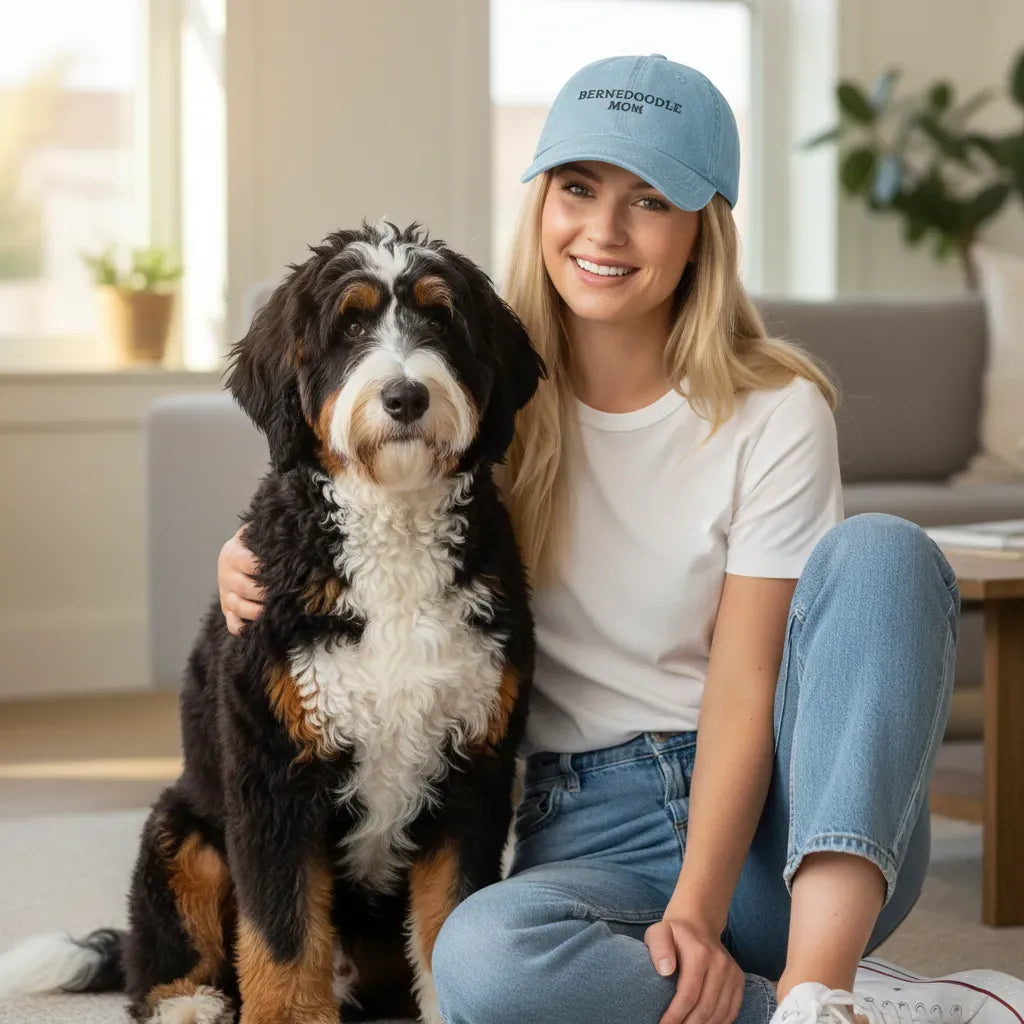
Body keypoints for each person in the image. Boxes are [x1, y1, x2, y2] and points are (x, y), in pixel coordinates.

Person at [216, 54, 1024, 1024]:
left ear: (702, 230)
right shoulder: (484, 387)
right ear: (542, 202)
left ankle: (820, 981)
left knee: (889, 551)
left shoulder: (777, 407)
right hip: (589, 833)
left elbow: (744, 678)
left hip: (788, 826)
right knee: (483, 962)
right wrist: (244, 550)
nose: (602, 230)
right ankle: (844, 1011)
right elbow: (352, 482)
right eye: (578, 188)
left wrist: (698, 902)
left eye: (648, 200)